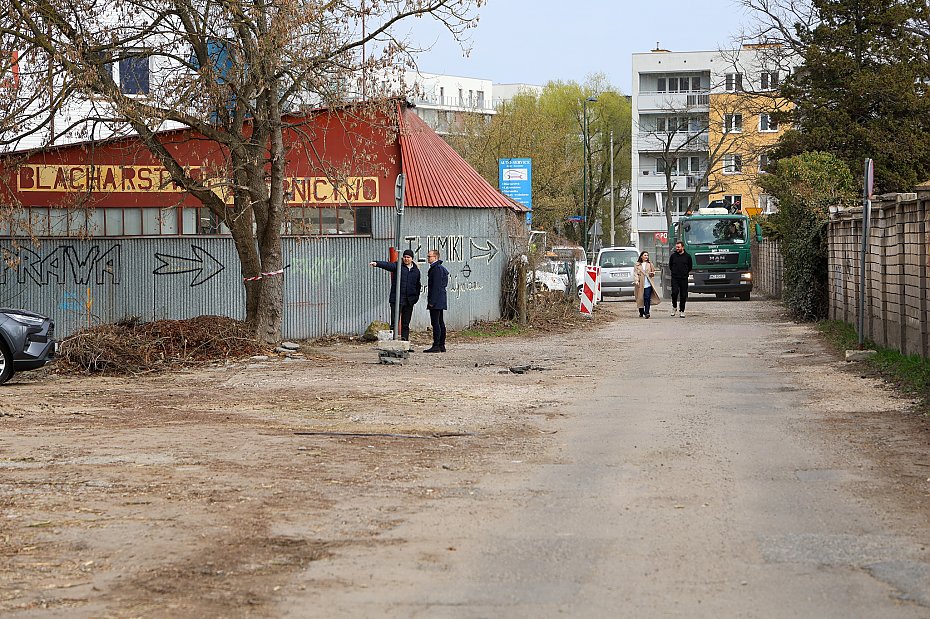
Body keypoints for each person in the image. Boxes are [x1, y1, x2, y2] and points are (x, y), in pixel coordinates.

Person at [369, 249, 420, 343]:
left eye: (408, 257)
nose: (406, 259)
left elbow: (417, 285)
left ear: (412, 258)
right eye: (404, 257)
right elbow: (388, 265)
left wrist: (415, 298)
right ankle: (393, 342)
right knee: (394, 323)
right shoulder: (398, 266)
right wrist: (377, 263)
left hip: (409, 301)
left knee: (405, 324)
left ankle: (405, 343)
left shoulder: (416, 271)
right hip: (397, 300)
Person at [423, 248, 449, 353]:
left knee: (436, 322)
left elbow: (436, 286)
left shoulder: (437, 269)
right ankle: (441, 345)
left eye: (430, 256)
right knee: (440, 321)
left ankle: (437, 345)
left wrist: (432, 302)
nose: (428, 258)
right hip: (440, 299)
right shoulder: (439, 268)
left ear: (436, 257)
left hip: (437, 300)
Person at [633, 250, 661, 318]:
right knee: (640, 298)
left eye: (647, 255)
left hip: (648, 283)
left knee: (647, 298)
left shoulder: (650, 264)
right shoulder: (637, 264)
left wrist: (652, 274)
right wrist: (636, 281)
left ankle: (647, 312)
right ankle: (641, 311)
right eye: (645, 255)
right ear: (641, 256)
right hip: (640, 284)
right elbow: (635, 273)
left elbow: (653, 271)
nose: (646, 257)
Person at [668, 240, 693, 318]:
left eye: (678, 247)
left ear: (683, 247)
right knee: (674, 293)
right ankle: (674, 306)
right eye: (676, 247)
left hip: (684, 278)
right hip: (675, 278)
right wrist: (675, 272)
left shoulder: (688, 256)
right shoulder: (673, 256)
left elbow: (690, 267)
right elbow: (670, 266)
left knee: (683, 295)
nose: (677, 248)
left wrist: (685, 273)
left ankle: (682, 310)